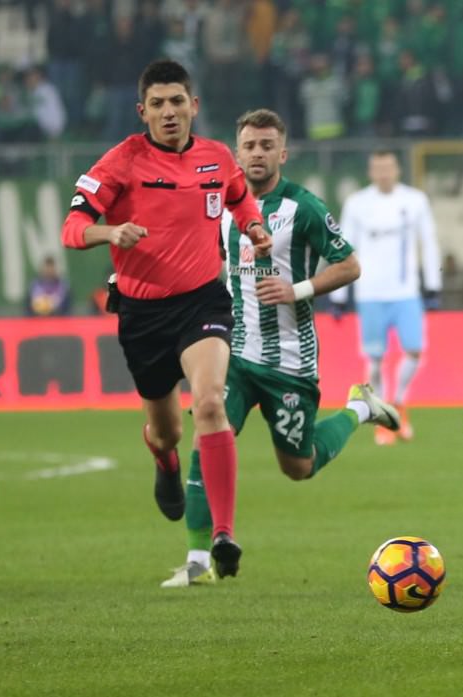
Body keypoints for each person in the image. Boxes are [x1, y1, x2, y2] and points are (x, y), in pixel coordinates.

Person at [161, 108, 400, 587]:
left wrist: (297, 290)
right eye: (249, 146)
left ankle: (359, 408)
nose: (257, 154)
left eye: (266, 146)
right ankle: (198, 559)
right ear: (237, 153)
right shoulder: (220, 207)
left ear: (282, 154)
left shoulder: (303, 207)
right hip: (232, 350)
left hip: (290, 358)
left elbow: (349, 265)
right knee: (208, 428)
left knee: (298, 465)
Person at [60, 59, 273, 578]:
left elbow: (240, 200)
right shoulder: (122, 161)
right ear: (143, 111)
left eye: (177, 101)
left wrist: (253, 227)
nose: (169, 111)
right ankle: (164, 459)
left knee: (210, 403)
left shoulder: (216, 157)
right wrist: (110, 233)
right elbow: (72, 227)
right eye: (157, 104)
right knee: (167, 431)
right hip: (143, 314)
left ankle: (223, 533)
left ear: (193, 105)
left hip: (203, 301)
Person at [330, 151, 442, 446]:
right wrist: (340, 295)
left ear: (397, 169)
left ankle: (399, 403)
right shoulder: (357, 204)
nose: (383, 173)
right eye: (378, 168)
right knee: (376, 359)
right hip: (369, 293)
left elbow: (428, 241)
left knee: (414, 350)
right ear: (371, 171)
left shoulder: (414, 200)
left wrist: (433, 285)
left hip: (406, 292)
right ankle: (382, 417)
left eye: (388, 167)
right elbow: (344, 247)